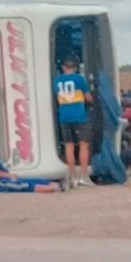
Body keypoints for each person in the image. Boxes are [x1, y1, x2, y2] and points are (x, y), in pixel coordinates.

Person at [0, 132, 66, 193]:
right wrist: (7, 175)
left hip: (5, 177)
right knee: (25, 185)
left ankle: (56, 184)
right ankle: (55, 187)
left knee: (31, 180)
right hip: (0, 182)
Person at [53, 58, 93, 187]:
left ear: (63, 68)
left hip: (64, 116)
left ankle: (72, 176)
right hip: (79, 116)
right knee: (83, 145)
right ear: (75, 68)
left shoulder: (56, 81)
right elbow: (88, 97)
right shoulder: (79, 79)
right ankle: (84, 175)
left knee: (68, 146)